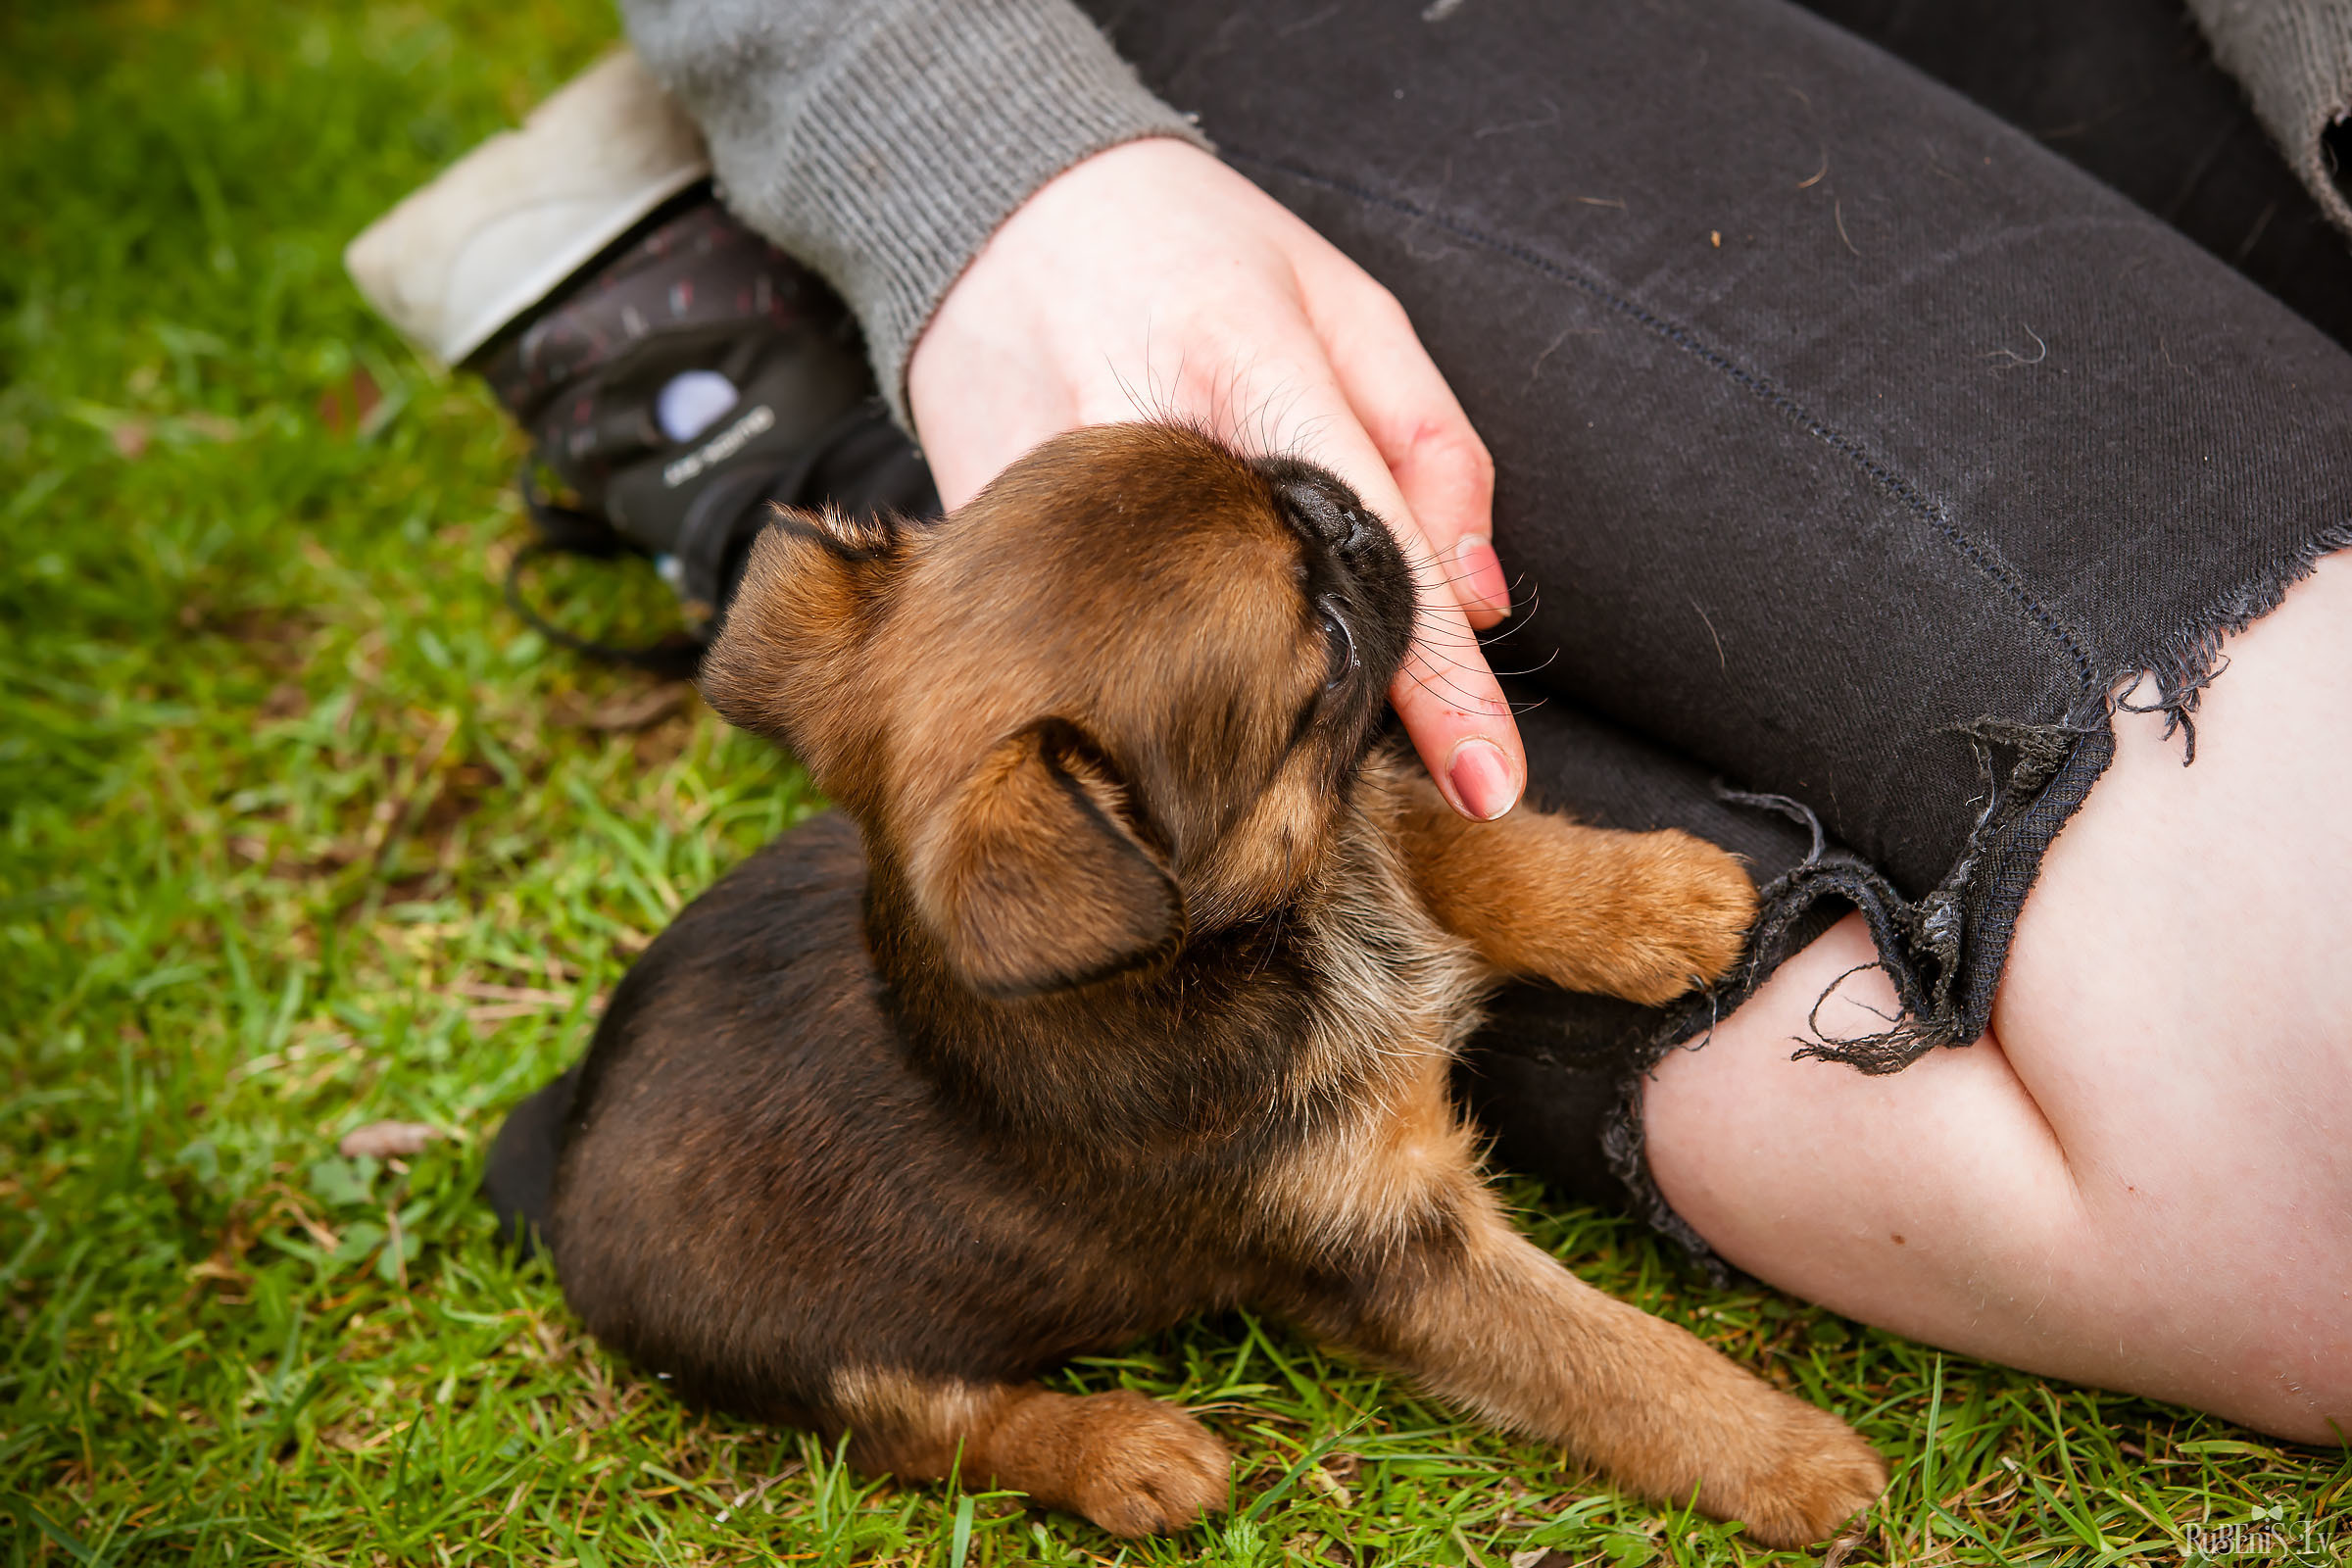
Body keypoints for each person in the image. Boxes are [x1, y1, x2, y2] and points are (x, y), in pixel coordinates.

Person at [350, 0, 2352, 1444]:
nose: (1334, 548)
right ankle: (862, 394)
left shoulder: (1167, 845)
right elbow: (1397, 1254)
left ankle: (851, 439)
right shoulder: (1095, 913)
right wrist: (972, 156)